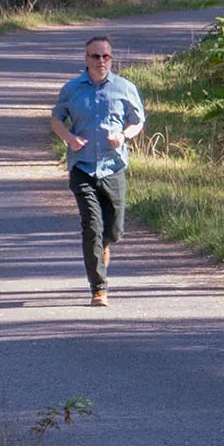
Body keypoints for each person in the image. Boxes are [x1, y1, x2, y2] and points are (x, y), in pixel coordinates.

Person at [49, 35, 145, 307]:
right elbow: (56, 119)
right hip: (83, 168)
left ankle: (104, 244)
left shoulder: (125, 87)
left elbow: (137, 121)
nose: (101, 61)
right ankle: (98, 288)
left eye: (106, 56)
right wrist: (69, 138)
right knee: (91, 226)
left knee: (112, 230)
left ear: (111, 59)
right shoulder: (72, 89)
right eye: (95, 56)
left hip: (113, 167)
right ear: (86, 59)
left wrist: (124, 136)